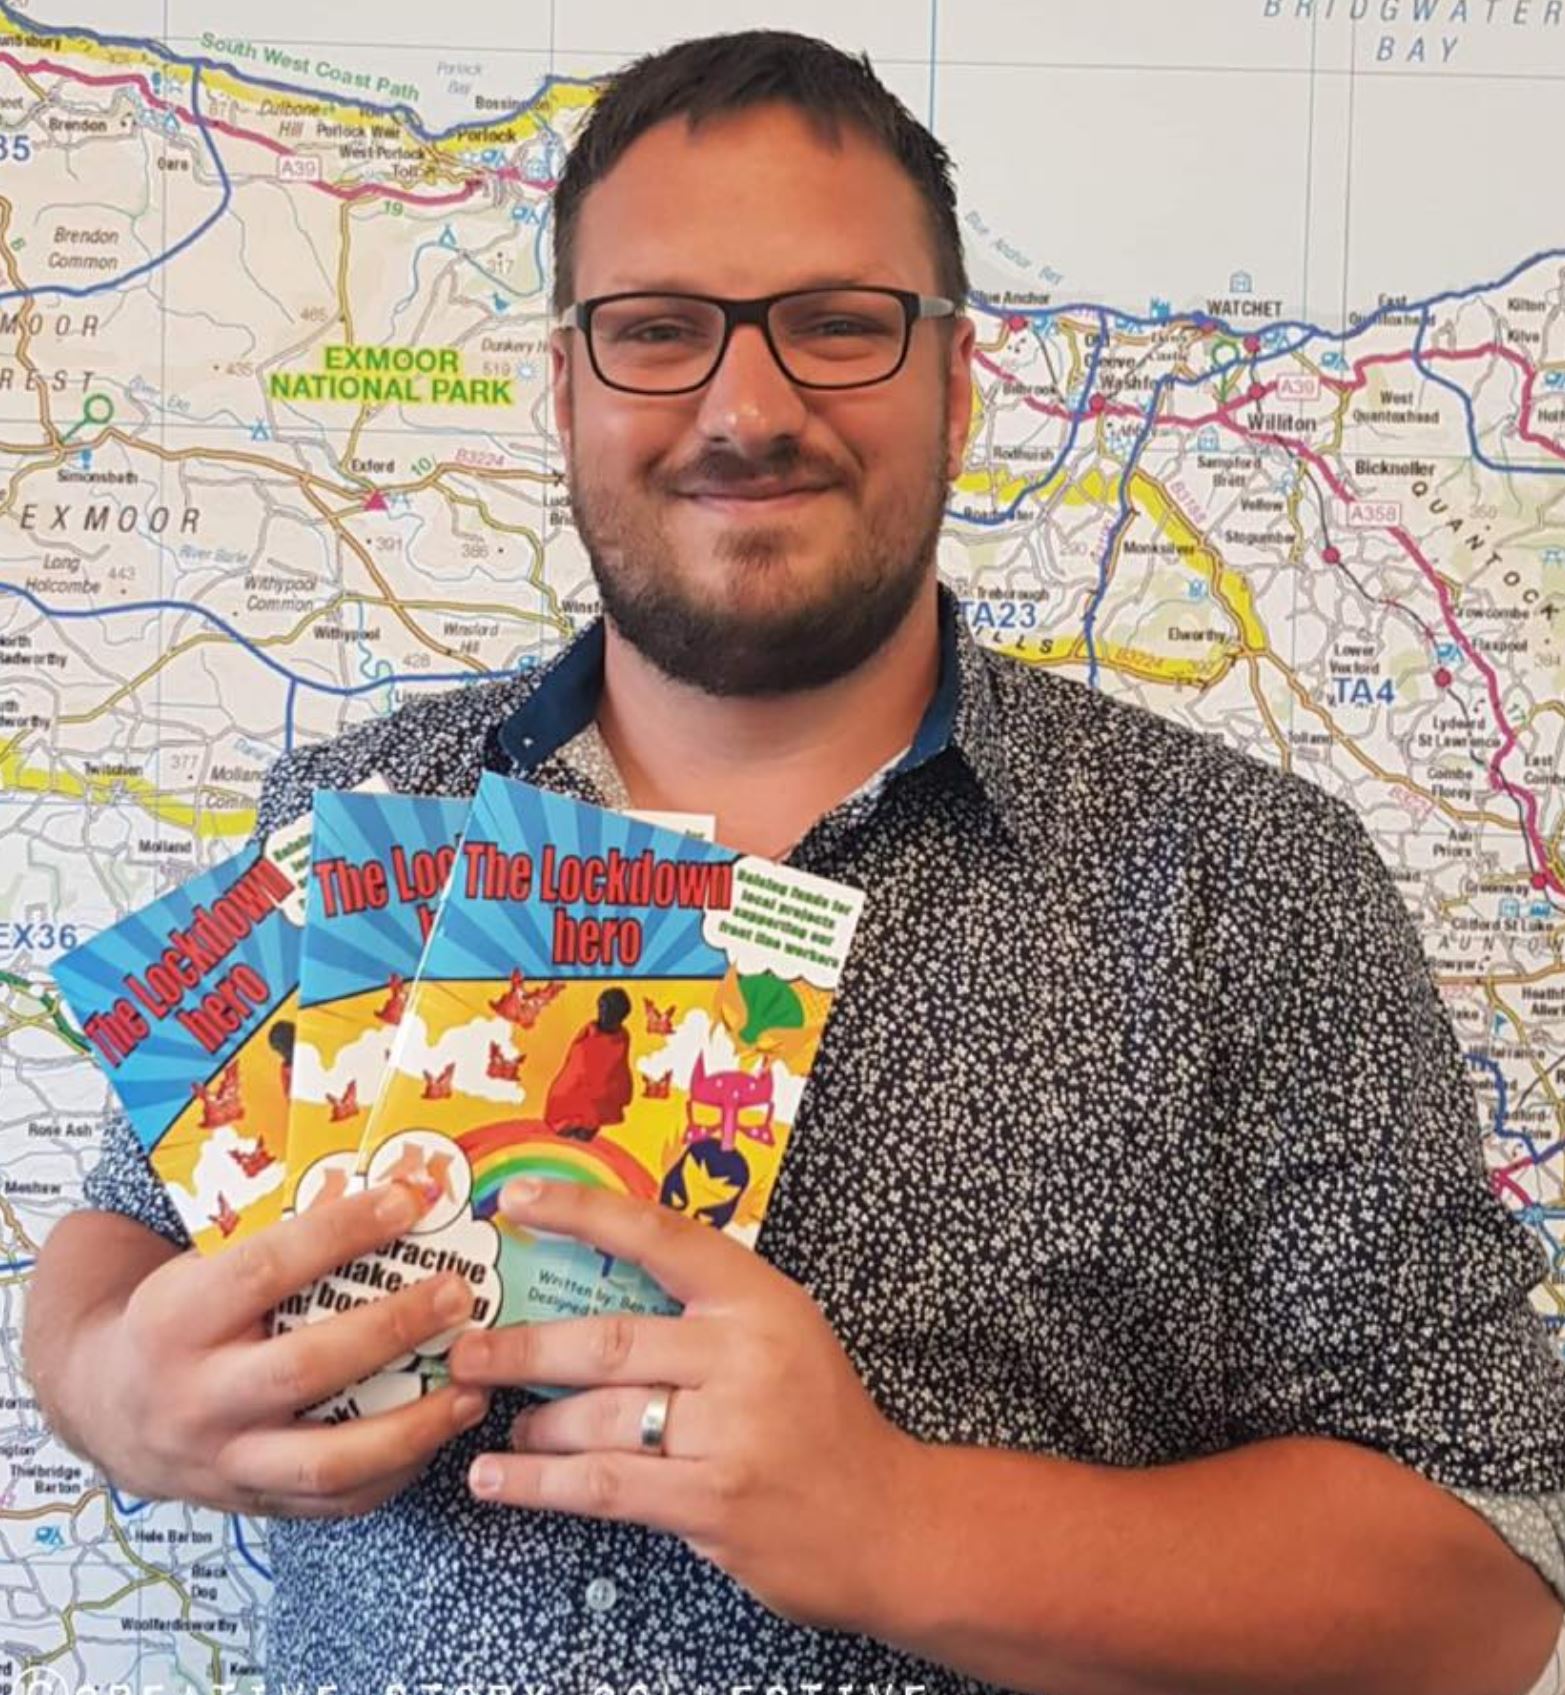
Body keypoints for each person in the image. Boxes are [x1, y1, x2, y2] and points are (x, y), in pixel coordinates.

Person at [24, 29, 1565, 1695]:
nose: (746, 409)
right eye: (657, 332)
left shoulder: (1251, 885)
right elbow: (125, 1234)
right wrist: (110, 1386)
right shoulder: (360, 811)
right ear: (565, 390)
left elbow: (1480, 1579)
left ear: (959, 384)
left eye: (837, 327)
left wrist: (898, 1523)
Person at [547, 987, 635, 1141]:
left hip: (600, 1097)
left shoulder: (622, 1038)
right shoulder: (589, 1031)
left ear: (620, 1016)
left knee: (587, 1129)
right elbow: (575, 1060)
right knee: (562, 1106)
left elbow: (619, 1067)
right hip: (575, 1088)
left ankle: (586, 1125)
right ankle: (570, 1123)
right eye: (600, 1007)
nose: (602, 1013)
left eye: (608, 1010)